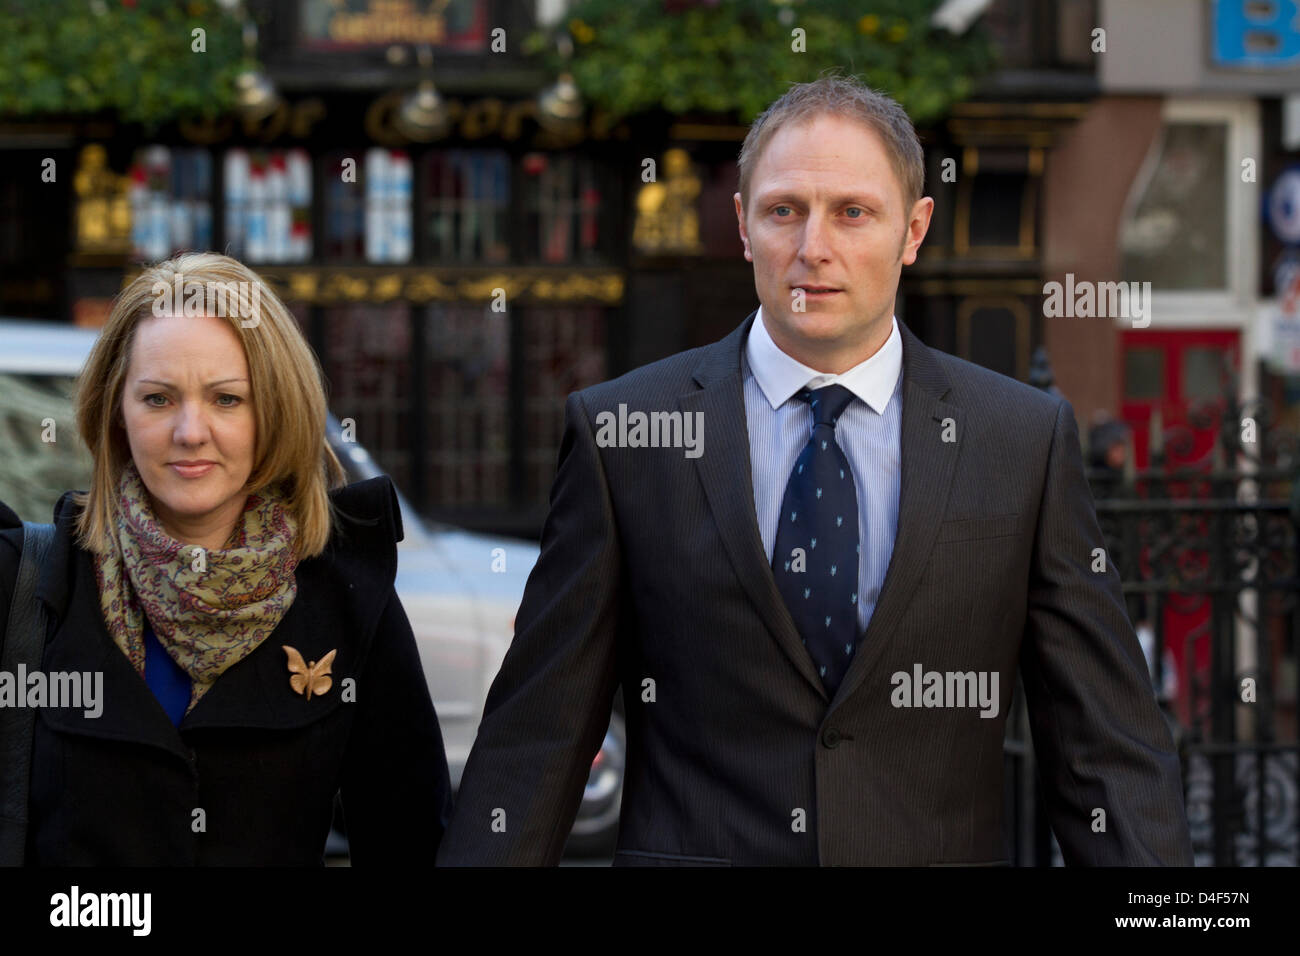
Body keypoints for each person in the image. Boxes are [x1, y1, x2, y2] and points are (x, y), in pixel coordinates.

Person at [437, 75, 1194, 866]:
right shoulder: (624, 433)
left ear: (914, 229)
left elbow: (1104, 748)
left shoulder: (1021, 440)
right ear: (742, 225)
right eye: (784, 210)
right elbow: (540, 735)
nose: (813, 249)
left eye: (853, 212)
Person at [0, 252, 451, 865]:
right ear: (115, 411)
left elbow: (410, 842)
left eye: (227, 400)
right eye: (158, 399)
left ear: (275, 410)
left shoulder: (345, 597)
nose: (190, 431)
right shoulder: (28, 583)